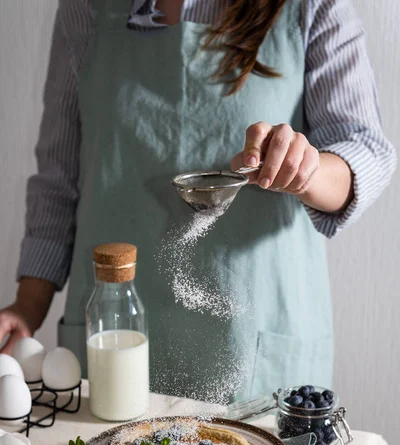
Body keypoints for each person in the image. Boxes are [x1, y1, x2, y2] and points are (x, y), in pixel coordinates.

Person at [0, 0, 396, 403]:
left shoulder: (313, 6)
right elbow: (59, 178)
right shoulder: (85, 8)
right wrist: (28, 305)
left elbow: (364, 148)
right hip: (115, 328)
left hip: (253, 338)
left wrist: (306, 169)